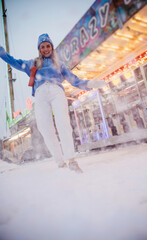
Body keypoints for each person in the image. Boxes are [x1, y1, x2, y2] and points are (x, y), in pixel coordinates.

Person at [0, 33, 106, 173]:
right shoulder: (33, 63)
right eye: (42, 46)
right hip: (40, 94)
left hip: (56, 92)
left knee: (63, 124)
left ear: (52, 47)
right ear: (39, 48)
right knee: (45, 128)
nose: (45, 49)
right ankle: (60, 162)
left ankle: (72, 160)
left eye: (48, 46)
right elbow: (14, 62)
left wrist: (89, 83)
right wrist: (1, 52)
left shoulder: (59, 64)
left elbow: (73, 80)